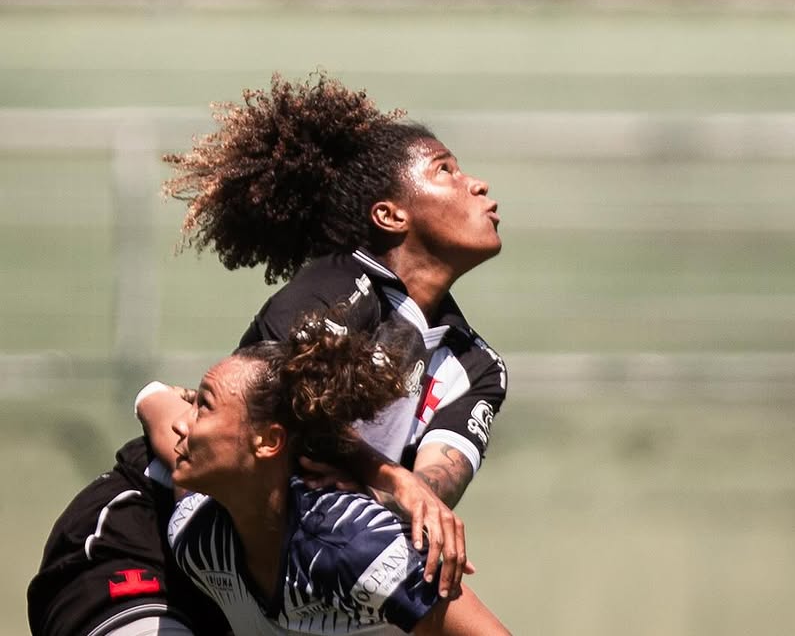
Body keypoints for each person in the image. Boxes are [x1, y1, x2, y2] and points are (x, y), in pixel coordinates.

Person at [28, 73, 507, 636]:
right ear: (390, 215)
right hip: (147, 542)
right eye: (446, 169)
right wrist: (391, 479)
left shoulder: (476, 367)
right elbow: (267, 416)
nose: (477, 183)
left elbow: (430, 495)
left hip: (264, 584)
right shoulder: (339, 287)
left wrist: (403, 492)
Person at [134, 314, 511, 635]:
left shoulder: (357, 545)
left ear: (269, 441)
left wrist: (390, 476)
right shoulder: (197, 536)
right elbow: (154, 402)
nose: (181, 424)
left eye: (204, 406)